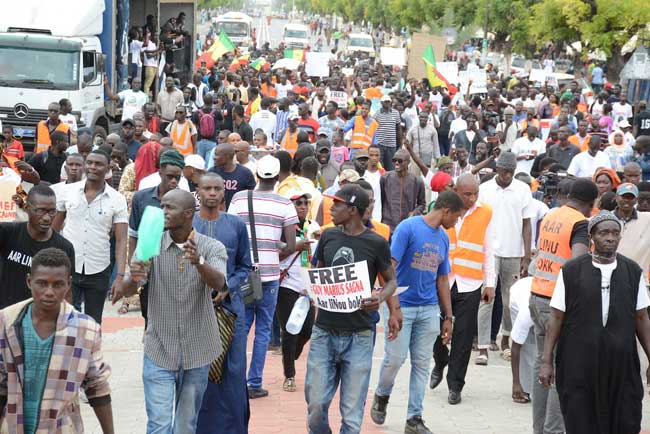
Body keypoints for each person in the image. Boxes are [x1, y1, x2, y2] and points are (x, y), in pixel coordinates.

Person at [114, 189, 227, 434]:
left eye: (169, 208)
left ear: (188, 214)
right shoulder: (150, 243)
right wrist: (134, 277)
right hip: (159, 348)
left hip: (198, 350)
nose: (162, 212)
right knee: (159, 425)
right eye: (162, 206)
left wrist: (199, 262)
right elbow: (129, 287)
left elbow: (219, 283)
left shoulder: (211, 247)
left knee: (186, 426)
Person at [539, 211, 650, 434]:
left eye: (615, 233)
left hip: (621, 366)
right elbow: (556, 317)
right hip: (579, 365)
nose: (610, 238)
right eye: (604, 233)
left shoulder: (632, 272)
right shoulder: (571, 271)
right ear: (592, 237)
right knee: (580, 419)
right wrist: (546, 361)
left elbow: (641, 318)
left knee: (625, 419)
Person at [306, 184, 397, 434]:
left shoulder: (377, 243)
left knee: (352, 413)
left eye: (337, 204)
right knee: (315, 405)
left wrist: (378, 299)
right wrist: (313, 288)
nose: (331, 208)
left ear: (353, 210)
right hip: (324, 331)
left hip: (360, 335)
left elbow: (390, 281)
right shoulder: (328, 236)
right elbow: (318, 270)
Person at [371, 191, 461, 432]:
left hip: (429, 309)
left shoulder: (443, 237)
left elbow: (442, 279)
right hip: (404, 308)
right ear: (446, 211)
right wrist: (394, 307)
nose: (457, 222)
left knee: (421, 364)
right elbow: (389, 269)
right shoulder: (408, 228)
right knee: (395, 360)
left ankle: (414, 418)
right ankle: (382, 395)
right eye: (457, 217)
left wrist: (448, 317)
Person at [0, 248, 114, 434]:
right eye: (42, 284)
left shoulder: (85, 330)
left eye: (58, 284)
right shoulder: (7, 322)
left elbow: (97, 388)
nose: (49, 292)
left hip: (62, 428)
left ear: (69, 284)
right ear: (29, 282)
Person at [528, 178, 597, 434]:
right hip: (558, 305)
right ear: (591, 204)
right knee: (561, 370)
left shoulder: (552, 215)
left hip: (537, 295)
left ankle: (540, 429)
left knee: (542, 363)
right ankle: (554, 430)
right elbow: (575, 265)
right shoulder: (580, 222)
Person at [227, 155, 297, 399]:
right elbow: (290, 245)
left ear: (257, 176)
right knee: (264, 329)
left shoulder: (238, 199)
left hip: (245, 274)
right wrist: (273, 246)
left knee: (242, 326)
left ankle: (233, 379)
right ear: (278, 178)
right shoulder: (285, 204)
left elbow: (230, 234)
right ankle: (254, 382)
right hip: (269, 276)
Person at [429, 174, 495, 403]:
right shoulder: (442, 209)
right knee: (435, 330)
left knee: (464, 337)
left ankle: (455, 385)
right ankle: (440, 360)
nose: (472, 198)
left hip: (471, 283)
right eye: (467, 194)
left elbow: (489, 249)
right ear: (456, 191)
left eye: (475, 193)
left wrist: (491, 283)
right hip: (443, 280)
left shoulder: (485, 212)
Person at [194, 173, 252, 434]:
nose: (213, 193)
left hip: (231, 312)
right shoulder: (188, 223)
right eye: (207, 188)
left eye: (218, 189)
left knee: (233, 373)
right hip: (194, 311)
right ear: (198, 191)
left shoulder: (236, 225)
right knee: (198, 374)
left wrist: (228, 287)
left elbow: (245, 267)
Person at [53, 150, 128, 324]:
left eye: (99, 164)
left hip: (99, 268)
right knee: (66, 320)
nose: (93, 167)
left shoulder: (117, 199)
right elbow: (54, 230)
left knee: (94, 323)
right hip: (68, 267)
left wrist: (120, 276)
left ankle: (91, 352)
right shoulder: (68, 192)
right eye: (90, 162)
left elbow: (121, 239)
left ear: (108, 168)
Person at [477, 151, 533, 363]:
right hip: (489, 253)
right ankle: (483, 347)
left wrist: (526, 256)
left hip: (513, 252)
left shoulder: (522, 190)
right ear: (497, 169)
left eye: (511, 172)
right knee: (486, 298)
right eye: (504, 171)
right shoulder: (484, 189)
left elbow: (527, 225)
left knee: (510, 301)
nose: (507, 175)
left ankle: (506, 340)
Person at [0, 185, 75, 309]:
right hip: (6, 314)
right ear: (27, 208)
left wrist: (65, 322)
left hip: (43, 318)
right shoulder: (7, 233)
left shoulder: (65, 247)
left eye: (52, 211)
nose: (46, 218)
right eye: (40, 211)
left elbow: (67, 292)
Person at [276, 188, 320, 392]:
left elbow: (320, 257)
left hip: (308, 286)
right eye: (298, 203)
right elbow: (275, 256)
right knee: (289, 331)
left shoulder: (315, 227)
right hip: (287, 285)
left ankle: (291, 354)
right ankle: (290, 375)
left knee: (307, 330)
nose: (302, 207)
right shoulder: (282, 227)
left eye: (305, 203)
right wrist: (295, 247)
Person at [380, 149, 426, 232]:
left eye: (400, 161)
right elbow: (380, 201)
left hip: (407, 227)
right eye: (394, 160)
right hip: (387, 227)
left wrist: (414, 213)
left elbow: (422, 204)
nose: (396, 163)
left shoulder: (417, 181)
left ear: (408, 162)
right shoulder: (385, 178)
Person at [613, 183, 650, 275]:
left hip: (640, 278)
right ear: (616, 197)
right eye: (623, 196)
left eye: (630, 197)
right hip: (612, 276)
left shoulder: (647, 219)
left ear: (636, 199)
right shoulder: (605, 218)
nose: (626, 200)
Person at [210, 142, 256, 209]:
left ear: (227, 156)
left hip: (238, 212)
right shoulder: (212, 172)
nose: (214, 158)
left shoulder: (245, 173)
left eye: (217, 155)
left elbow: (252, 195)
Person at [406, 111, 440, 179]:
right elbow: (407, 144)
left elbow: (436, 146)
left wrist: (437, 160)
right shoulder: (413, 129)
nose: (423, 119)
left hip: (428, 158)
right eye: (421, 117)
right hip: (415, 158)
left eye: (425, 117)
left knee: (427, 179)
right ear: (419, 118)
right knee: (415, 178)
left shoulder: (432, 130)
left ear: (428, 119)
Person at [373, 95, 402, 171]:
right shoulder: (377, 113)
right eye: (385, 101)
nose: (387, 103)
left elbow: (398, 129)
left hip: (392, 145)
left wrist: (400, 144)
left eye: (388, 101)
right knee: (380, 167)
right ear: (381, 103)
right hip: (380, 144)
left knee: (391, 167)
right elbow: (372, 128)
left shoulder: (395, 113)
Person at [192, 93, 223, 163]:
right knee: (209, 162)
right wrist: (219, 107)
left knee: (199, 162)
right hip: (212, 141)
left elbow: (194, 128)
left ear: (203, 100)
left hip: (200, 140)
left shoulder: (197, 113)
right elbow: (222, 122)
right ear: (212, 101)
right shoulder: (216, 112)